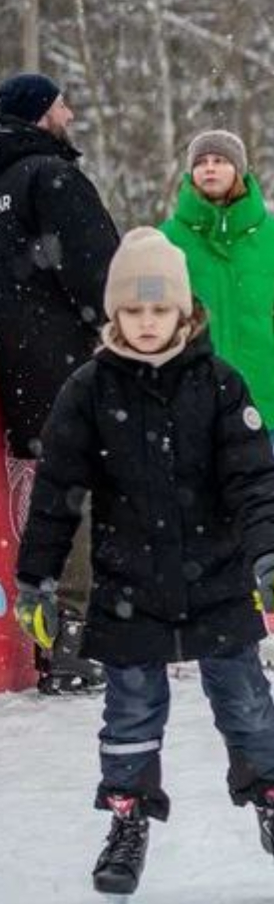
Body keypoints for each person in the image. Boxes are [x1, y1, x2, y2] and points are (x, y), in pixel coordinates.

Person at [12, 229, 274, 904]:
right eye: (133, 311)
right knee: (130, 712)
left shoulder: (220, 384)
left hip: (217, 584)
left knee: (248, 705)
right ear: (114, 315)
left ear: (185, 311)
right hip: (129, 587)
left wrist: (269, 551)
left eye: (160, 311)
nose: (148, 323)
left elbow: (251, 481)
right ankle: (128, 820)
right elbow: (56, 497)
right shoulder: (89, 390)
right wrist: (36, 578)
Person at [0, 71, 120, 694]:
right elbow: (99, 266)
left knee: (46, 494)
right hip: (65, 361)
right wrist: (119, 328)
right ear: (40, 114)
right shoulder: (51, 177)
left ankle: (55, 635)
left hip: (17, 366)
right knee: (78, 491)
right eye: (61, 104)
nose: (69, 113)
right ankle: (74, 640)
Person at [159, 131, 274, 435]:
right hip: (188, 394)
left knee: (255, 482)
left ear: (239, 170)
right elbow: (146, 302)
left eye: (220, 160)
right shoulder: (168, 237)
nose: (209, 168)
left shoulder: (273, 236)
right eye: (201, 162)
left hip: (257, 391)